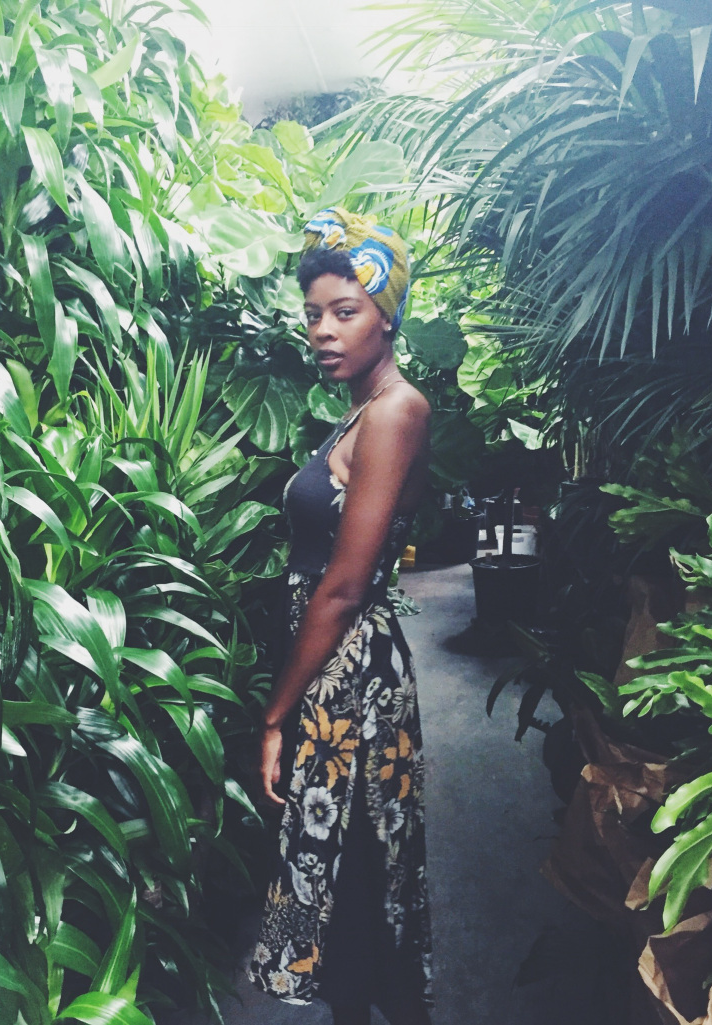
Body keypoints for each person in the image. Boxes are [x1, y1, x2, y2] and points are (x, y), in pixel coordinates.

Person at [248, 207, 433, 1025]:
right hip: (336, 666)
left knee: (356, 871)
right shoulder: (364, 409)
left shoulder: (394, 410)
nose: (323, 330)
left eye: (345, 310)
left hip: (348, 675)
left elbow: (344, 584)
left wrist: (274, 715)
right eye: (313, 313)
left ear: (385, 316)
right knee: (353, 873)